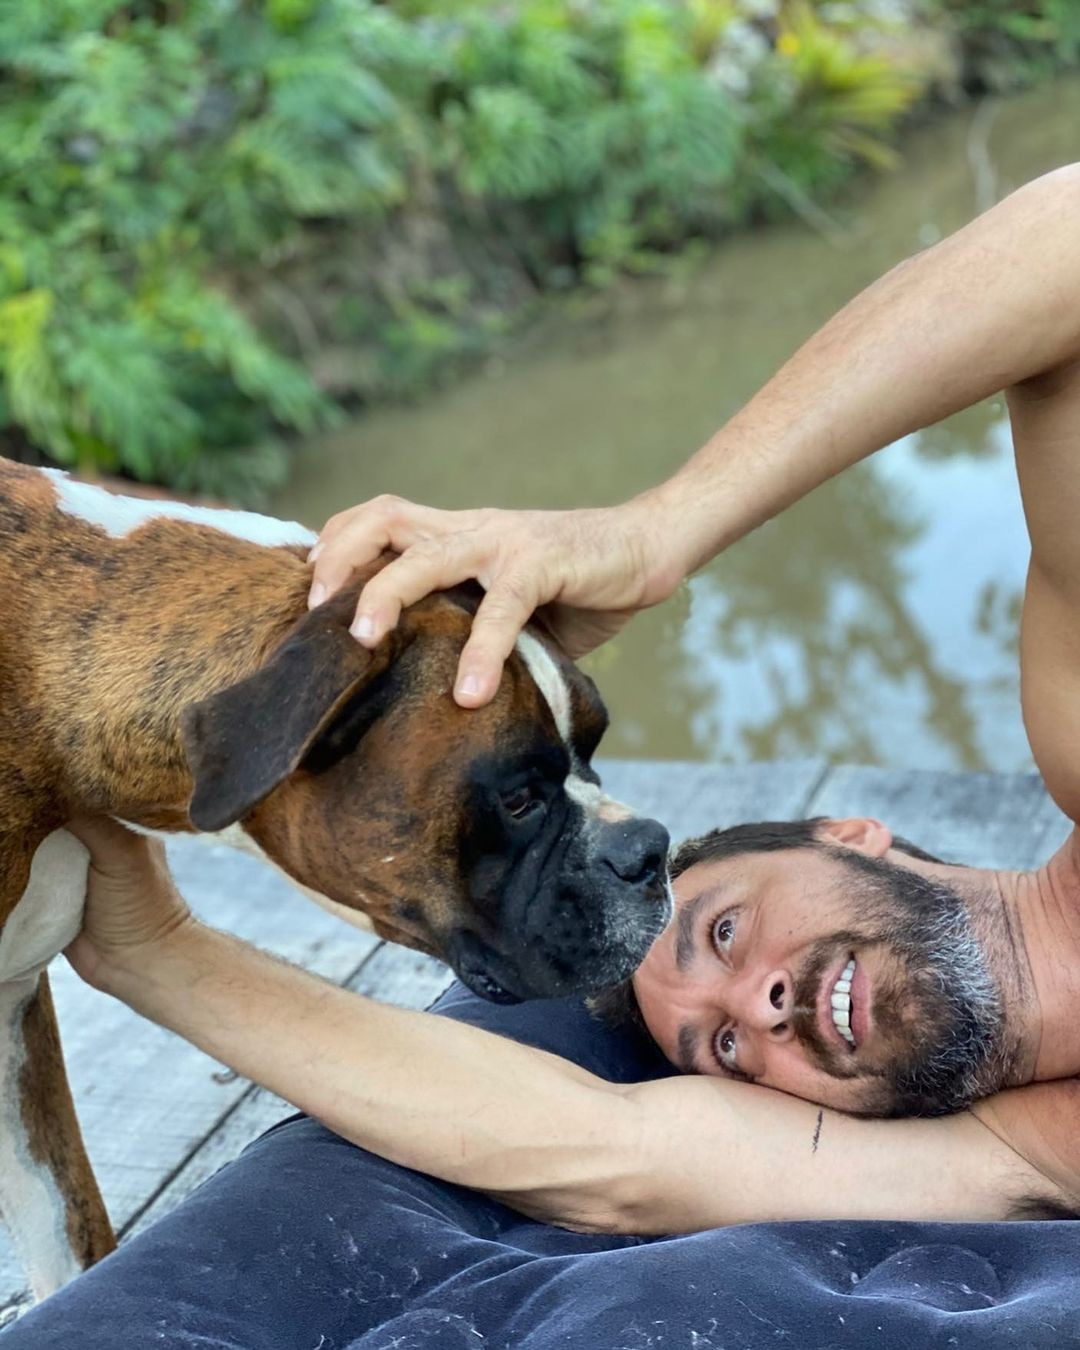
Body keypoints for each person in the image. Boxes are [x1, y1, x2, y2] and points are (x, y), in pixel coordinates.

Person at [6, 165, 1080, 1346]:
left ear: (849, 833)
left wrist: (657, 531)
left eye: (721, 929)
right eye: (722, 1051)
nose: (762, 1009)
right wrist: (154, 951)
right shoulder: (1008, 1156)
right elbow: (610, 1153)